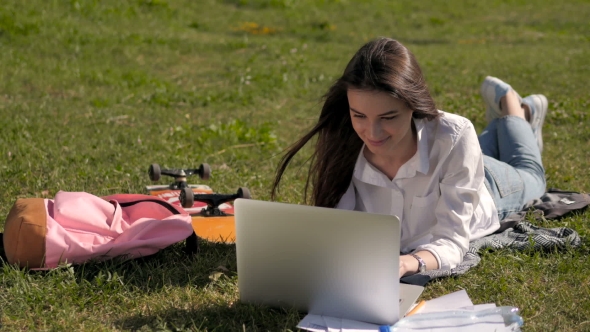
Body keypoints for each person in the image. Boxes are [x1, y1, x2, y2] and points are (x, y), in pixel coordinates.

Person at [271, 37, 548, 278]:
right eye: (359, 116)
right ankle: (503, 125)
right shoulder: (345, 141)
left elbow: (452, 241)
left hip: (488, 185)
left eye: (388, 117)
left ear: (413, 107)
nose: (372, 132)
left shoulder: (455, 135)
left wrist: (408, 263)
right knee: (477, 147)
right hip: (462, 161)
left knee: (532, 176)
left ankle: (515, 108)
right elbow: (337, 227)